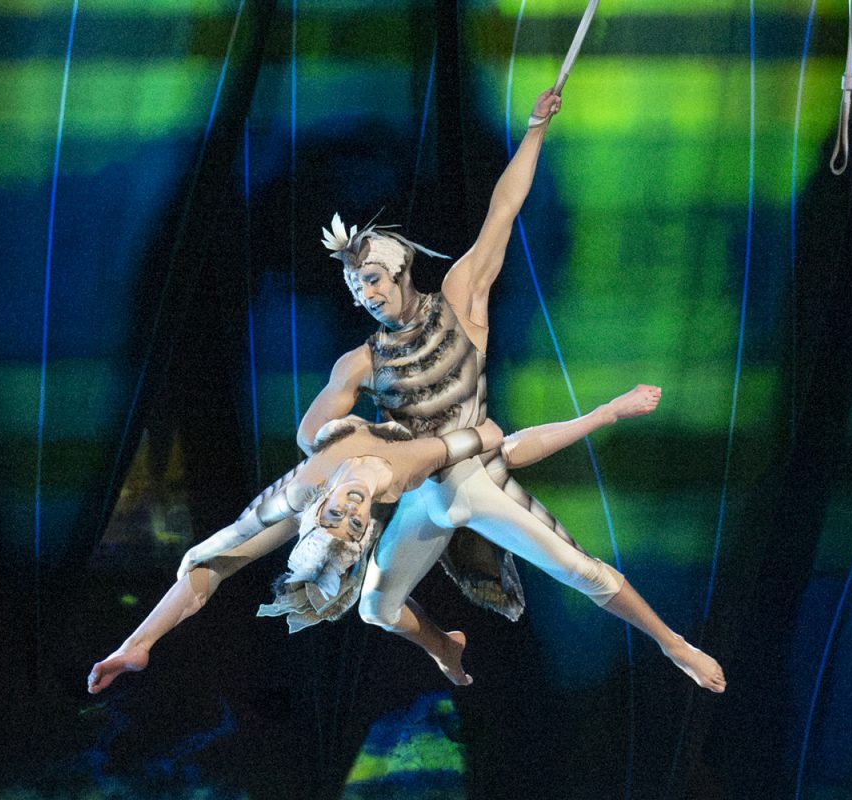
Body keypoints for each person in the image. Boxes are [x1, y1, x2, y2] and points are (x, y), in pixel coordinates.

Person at [300, 88, 726, 693]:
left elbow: (503, 210)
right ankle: (444, 645)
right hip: (427, 495)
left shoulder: (459, 299)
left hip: (478, 479)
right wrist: (362, 443)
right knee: (374, 608)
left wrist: (533, 131)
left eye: (371, 279)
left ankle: (673, 644)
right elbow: (310, 436)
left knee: (586, 574)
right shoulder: (360, 363)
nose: (365, 295)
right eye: (355, 289)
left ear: (398, 271)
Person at [88, 398, 652, 693]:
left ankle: (443, 646)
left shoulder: (307, 478)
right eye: (353, 522)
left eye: (339, 511)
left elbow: (200, 564)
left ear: (320, 509)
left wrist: (139, 641)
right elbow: (494, 441)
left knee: (370, 603)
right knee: (440, 512)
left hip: (343, 467)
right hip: (420, 483)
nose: (351, 508)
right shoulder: (404, 471)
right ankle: (442, 642)